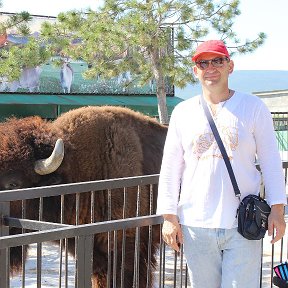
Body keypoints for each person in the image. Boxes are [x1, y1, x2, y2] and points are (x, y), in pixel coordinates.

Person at [156, 39, 287, 287]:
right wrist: (169, 217)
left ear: (230, 66)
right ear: (195, 70)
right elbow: (171, 168)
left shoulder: (254, 107)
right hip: (196, 224)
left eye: (218, 60)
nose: (211, 67)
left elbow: (271, 160)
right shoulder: (183, 112)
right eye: (203, 63)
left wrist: (278, 211)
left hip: (243, 223)